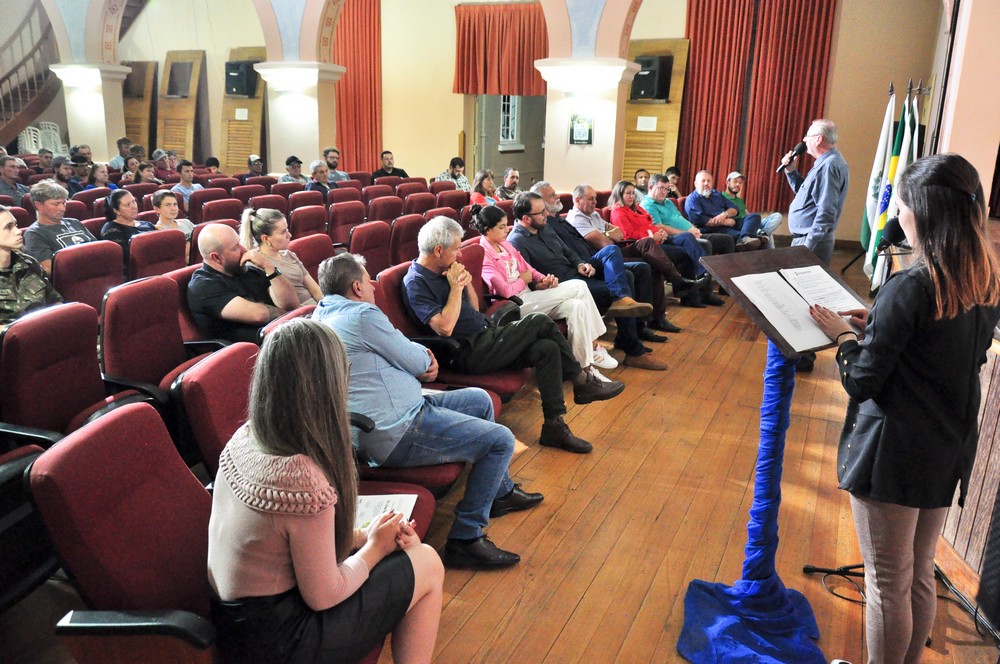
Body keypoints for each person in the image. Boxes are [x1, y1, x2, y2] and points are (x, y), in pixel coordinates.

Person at [809, 153, 1000, 664]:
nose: (899, 217)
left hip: (894, 451)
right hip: (945, 445)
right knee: (916, 573)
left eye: (903, 206)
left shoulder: (913, 284)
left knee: (886, 581)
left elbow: (862, 380)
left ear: (925, 213)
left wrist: (845, 335)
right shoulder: (980, 279)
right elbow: (952, 351)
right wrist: (880, 320)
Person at [208, 317, 443, 663]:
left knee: (406, 556)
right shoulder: (299, 478)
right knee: (427, 562)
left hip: (237, 622)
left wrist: (362, 537)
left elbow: (282, 544)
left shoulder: (244, 438)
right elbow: (325, 595)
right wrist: (376, 548)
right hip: (279, 642)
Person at [315, 252, 544, 568]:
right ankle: (466, 538)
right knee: (500, 440)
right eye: (367, 280)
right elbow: (415, 360)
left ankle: (499, 493)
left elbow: (401, 355)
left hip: (404, 405)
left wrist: (416, 360)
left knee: (478, 399)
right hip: (396, 428)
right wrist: (423, 361)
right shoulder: (361, 316)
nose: (371, 284)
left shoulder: (321, 315)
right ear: (356, 287)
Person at [403, 216, 624, 454]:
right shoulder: (416, 281)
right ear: (438, 250)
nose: (460, 255)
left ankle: (554, 426)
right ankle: (581, 381)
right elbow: (444, 328)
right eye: (456, 249)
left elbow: (475, 309)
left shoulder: (446, 270)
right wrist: (456, 287)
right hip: (466, 352)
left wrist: (466, 284)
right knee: (539, 321)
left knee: (546, 350)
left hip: (486, 334)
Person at [509, 189, 669, 371]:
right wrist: (545, 282)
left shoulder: (544, 227)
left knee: (612, 252)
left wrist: (580, 264)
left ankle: (623, 305)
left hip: (576, 272)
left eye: (545, 209)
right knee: (625, 278)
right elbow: (530, 279)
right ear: (526, 218)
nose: (547, 214)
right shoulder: (517, 241)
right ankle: (633, 350)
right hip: (563, 285)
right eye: (541, 212)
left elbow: (567, 252)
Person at [473, 204, 616, 379]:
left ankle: (584, 369)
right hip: (514, 305)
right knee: (579, 286)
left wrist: (544, 279)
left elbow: (528, 269)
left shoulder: (505, 245)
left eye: (506, 225)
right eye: (501, 227)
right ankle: (593, 344)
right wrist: (522, 280)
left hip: (529, 296)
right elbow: (504, 290)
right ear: (487, 230)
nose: (506, 230)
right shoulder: (484, 254)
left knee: (576, 306)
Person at [572, 182, 697, 324]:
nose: (595, 202)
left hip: (618, 248)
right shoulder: (578, 218)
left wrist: (605, 233)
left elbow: (618, 234)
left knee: (649, 246)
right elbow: (606, 243)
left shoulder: (594, 214)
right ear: (577, 200)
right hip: (605, 259)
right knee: (651, 263)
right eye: (590, 199)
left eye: (595, 198)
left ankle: (659, 314)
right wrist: (608, 233)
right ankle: (652, 316)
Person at [187, 223, 299, 343]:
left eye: (239, 243)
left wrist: (269, 267)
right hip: (252, 350)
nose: (244, 250)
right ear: (216, 258)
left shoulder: (248, 270)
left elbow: (291, 303)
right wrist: (294, 316)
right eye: (235, 248)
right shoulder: (202, 286)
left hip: (280, 335)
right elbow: (259, 315)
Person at [609, 179, 708, 311]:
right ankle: (685, 288)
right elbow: (627, 235)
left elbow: (650, 224)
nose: (632, 196)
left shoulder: (637, 208)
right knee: (682, 253)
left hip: (654, 242)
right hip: (640, 247)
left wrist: (660, 233)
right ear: (619, 195)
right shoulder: (618, 211)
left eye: (633, 193)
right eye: (628, 193)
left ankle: (689, 292)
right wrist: (652, 235)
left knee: (685, 248)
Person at [780, 118, 850, 266]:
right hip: (809, 239)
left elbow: (827, 212)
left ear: (818, 139)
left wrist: (808, 246)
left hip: (811, 241)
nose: (804, 139)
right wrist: (791, 171)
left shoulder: (828, 166)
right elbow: (807, 196)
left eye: (808, 136)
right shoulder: (827, 162)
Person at [641, 172, 735, 264]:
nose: (664, 192)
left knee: (727, 240)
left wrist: (693, 229)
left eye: (666, 189)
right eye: (661, 188)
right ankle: (704, 276)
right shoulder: (648, 205)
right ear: (650, 187)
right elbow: (658, 226)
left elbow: (680, 218)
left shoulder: (668, 202)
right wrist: (688, 233)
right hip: (673, 238)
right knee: (705, 244)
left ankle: (727, 275)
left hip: (690, 234)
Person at [240, 207, 323, 306]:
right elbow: (285, 306)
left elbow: (315, 290)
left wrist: (329, 306)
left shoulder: (289, 255)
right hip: (300, 315)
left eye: (287, 229)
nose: (290, 235)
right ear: (266, 239)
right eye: (283, 232)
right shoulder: (257, 265)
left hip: (318, 309)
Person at [0, 205, 62, 330]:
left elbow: (54, 301)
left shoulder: (28, 262)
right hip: (12, 344)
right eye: (8, 227)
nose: (18, 231)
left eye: (15, 225)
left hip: (48, 332)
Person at [22, 179, 95, 274]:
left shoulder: (75, 223)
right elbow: (49, 269)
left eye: (64, 203)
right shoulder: (34, 234)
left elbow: (98, 250)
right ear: (39, 205)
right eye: (56, 204)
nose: (63, 208)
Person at [684, 170, 765, 251]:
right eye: (703, 181)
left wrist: (724, 214)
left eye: (709, 181)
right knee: (750, 237)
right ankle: (746, 239)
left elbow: (734, 209)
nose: (706, 183)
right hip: (714, 229)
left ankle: (744, 238)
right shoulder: (692, 199)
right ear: (696, 184)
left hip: (730, 221)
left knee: (754, 216)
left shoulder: (716, 194)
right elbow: (701, 220)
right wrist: (724, 221)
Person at [722, 171, 783, 248]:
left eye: (740, 183)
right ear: (727, 182)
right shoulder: (721, 197)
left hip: (748, 222)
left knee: (777, 216)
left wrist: (751, 219)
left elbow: (747, 214)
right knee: (769, 237)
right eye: (735, 182)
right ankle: (763, 235)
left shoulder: (740, 201)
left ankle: (763, 233)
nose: (738, 184)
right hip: (740, 224)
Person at [100, 189, 156, 273]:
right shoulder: (111, 230)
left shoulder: (147, 224)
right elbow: (125, 258)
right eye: (127, 205)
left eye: (134, 202)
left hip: (156, 264)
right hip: (135, 271)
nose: (134, 207)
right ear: (116, 211)